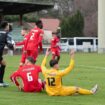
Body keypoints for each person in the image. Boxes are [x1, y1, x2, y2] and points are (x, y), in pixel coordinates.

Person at [0, 21, 14, 87]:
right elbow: (10, 45)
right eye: (8, 25)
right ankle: (0, 82)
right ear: (6, 26)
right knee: (3, 64)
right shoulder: (6, 33)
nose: (9, 26)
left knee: (3, 63)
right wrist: (13, 47)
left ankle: (0, 81)